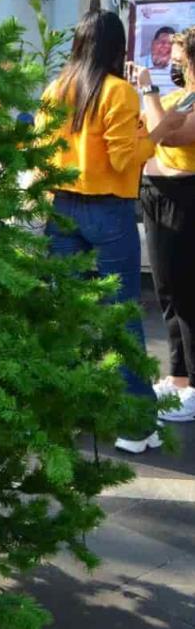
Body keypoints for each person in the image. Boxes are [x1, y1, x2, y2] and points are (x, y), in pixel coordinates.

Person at [41, 10, 187, 454]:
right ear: (115, 47)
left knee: (62, 314)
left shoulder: (56, 89)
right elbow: (126, 159)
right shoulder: (118, 92)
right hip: (108, 213)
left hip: (62, 209)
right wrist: (159, 132)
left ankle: (59, 414)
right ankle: (135, 424)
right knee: (121, 316)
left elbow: (41, 155)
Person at [136, 26, 195, 422]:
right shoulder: (184, 95)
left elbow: (171, 137)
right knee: (167, 292)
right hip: (155, 195)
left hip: (186, 199)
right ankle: (178, 377)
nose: (171, 65)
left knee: (189, 294)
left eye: (178, 59)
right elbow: (151, 131)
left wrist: (148, 93)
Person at [139, 26, 179, 97]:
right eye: (162, 42)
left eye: (170, 43)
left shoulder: (178, 69)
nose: (167, 46)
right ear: (153, 43)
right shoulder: (139, 64)